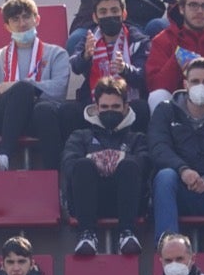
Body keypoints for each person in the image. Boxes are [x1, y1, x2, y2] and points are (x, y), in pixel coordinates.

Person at [147, 56, 204, 242]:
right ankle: (167, 247)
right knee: (165, 176)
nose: (200, 86)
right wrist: (182, 169)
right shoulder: (165, 111)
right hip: (174, 189)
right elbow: (158, 147)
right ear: (185, 84)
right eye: (195, 81)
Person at [0, 0, 71, 172]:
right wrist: (11, 92)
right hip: (3, 118)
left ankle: (54, 179)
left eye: (26, 17)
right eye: (15, 19)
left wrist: (16, 85)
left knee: (42, 108)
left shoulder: (56, 54)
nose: (22, 23)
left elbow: (59, 91)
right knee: (22, 90)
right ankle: (4, 157)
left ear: (37, 20)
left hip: (39, 118)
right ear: (7, 26)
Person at [61, 76, 148, 257]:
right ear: (96, 108)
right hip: (87, 202)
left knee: (131, 165)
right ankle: (86, 235)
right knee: (83, 164)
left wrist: (122, 158)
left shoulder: (137, 138)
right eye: (105, 107)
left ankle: (127, 233)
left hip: (128, 202)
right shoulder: (80, 136)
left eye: (116, 107)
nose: (110, 111)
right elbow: (68, 165)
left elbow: (148, 164)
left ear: (125, 107)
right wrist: (94, 159)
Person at [63, 0, 154, 142]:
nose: (109, 15)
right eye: (103, 12)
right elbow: (75, 66)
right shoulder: (89, 39)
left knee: (142, 108)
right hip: (96, 103)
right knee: (68, 111)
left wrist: (125, 69)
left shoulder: (139, 40)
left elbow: (143, 76)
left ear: (123, 14)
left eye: (114, 11)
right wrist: (86, 56)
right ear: (95, 18)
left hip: (127, 103)